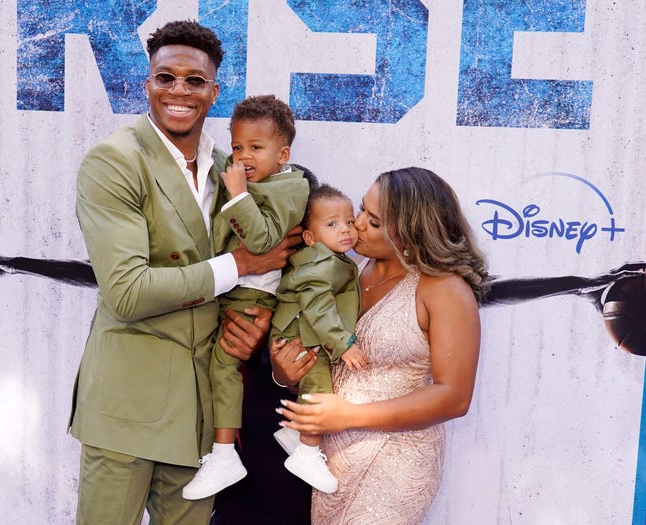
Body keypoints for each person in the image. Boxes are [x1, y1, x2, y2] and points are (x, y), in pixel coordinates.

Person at [70, 20, 300, 525]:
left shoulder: (231, 168)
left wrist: (253, 327)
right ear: (147, 84)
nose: (179, 90)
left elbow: (267, 269)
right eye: (165, 77)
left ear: (213, 91)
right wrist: (238, 265)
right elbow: (128, 293)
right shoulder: (115, 161)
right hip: (128, 407)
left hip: (201, 413)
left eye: (193, 80)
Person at [272, 167, 488, 524]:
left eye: (373, 221)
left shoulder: (444, 290)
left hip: (396, 464)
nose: (355, 225)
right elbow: (327, 359)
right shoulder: (347, 271)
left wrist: (349, 416)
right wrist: (286, 373)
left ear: (409, 235)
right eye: (361, 210)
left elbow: (454, 397)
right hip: (331, 462)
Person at [182, 95, 309, 500]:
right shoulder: (260, 185)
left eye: (256, 148)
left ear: (283, 153)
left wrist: (236, 193)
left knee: (222, 366)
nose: (243, 156)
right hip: (233, 294)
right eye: (237, 147)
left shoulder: (287, 188)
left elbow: (261, 241)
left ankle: (224, 454)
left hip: (252, 300)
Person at [269, 184, 365, 494]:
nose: (345, 230)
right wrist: (343, 344)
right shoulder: (319, 264)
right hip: (299, 335)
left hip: (304, 331)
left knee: (317, 384)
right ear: (309, 238)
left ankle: (295, 435)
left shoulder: (332, 260)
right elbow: (318, 308)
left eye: (350, 221)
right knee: (319, 388)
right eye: (332, 224)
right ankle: (307, 455)